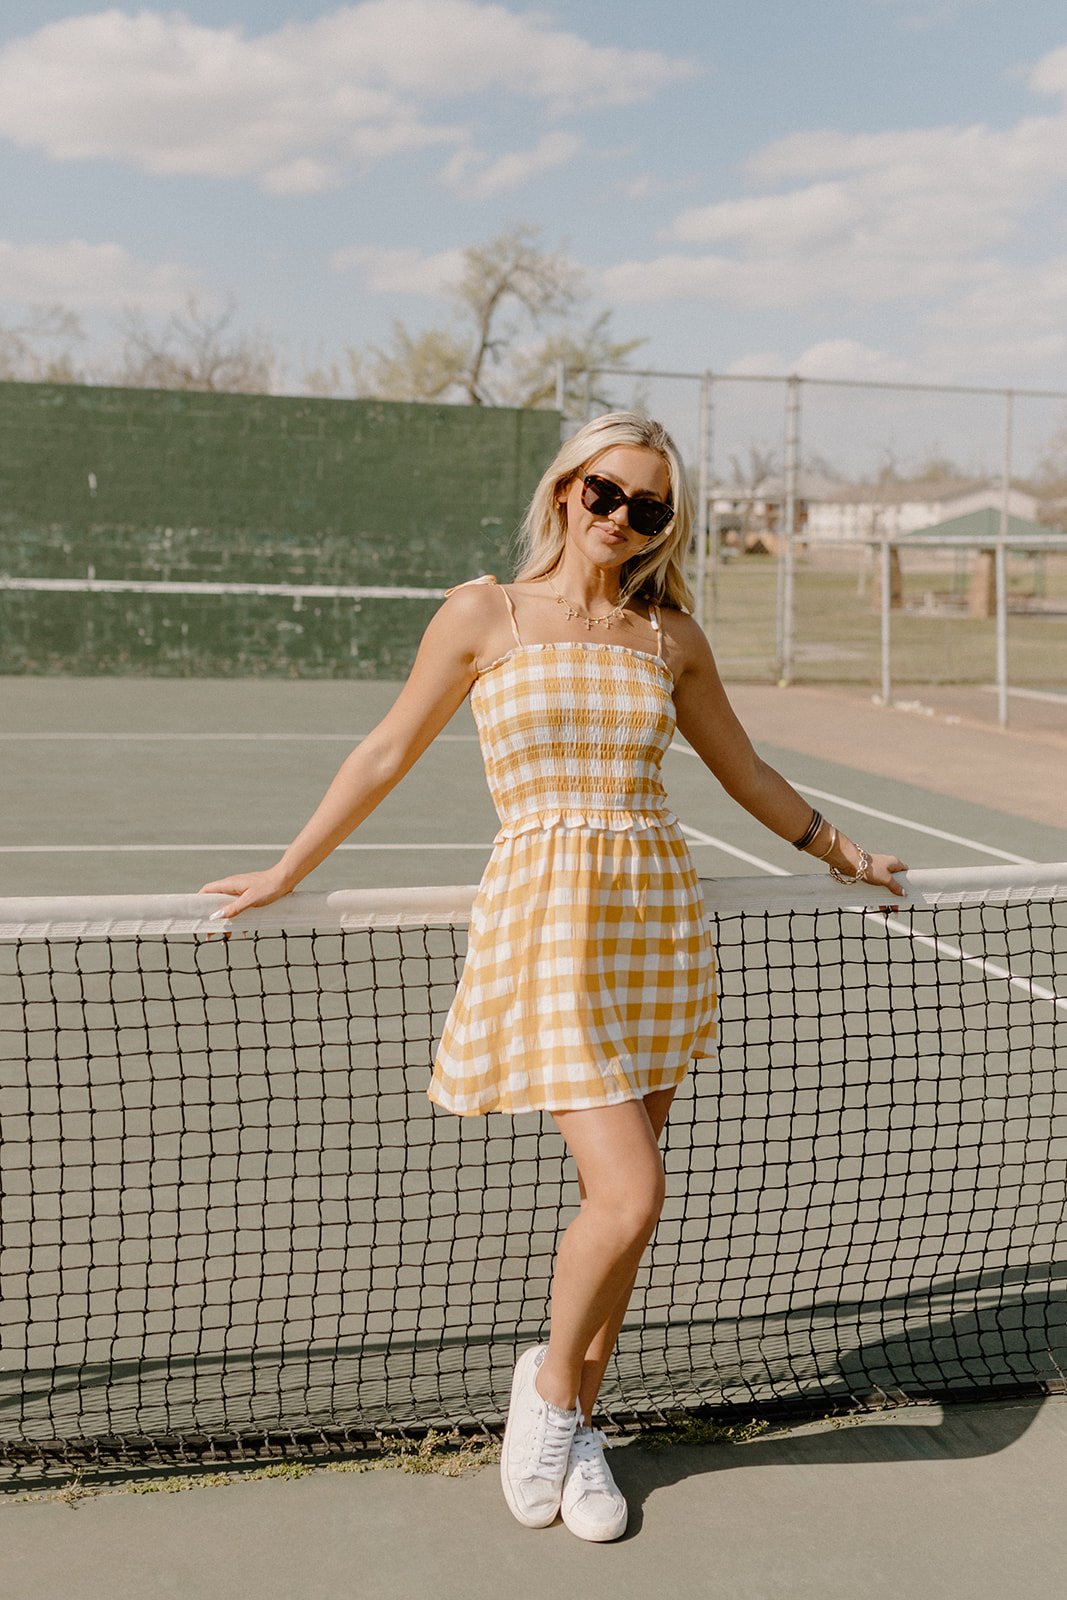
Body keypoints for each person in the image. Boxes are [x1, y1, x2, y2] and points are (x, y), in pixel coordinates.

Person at [200, 411, 907, 1542]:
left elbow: (744, 771)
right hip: (546, 928)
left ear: (665, 524)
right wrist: (291, 867)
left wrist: (844, 852)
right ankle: (546, 1394)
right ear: (567, 488)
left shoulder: (668, 636)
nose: (622, 518)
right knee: (632, 1193)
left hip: (653, 927)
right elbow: (385, 748)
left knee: (619, 1218)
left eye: (649, 507)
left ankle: (579, 1424)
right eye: (605, 493)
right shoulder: (482, 613)